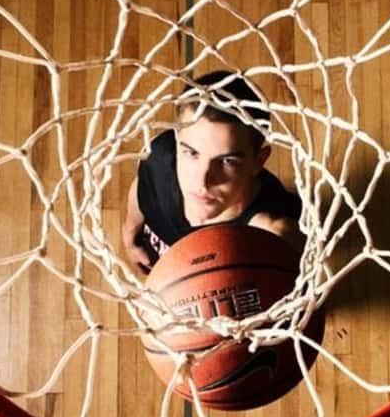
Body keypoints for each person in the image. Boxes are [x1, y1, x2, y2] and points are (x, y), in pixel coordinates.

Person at [122, 70, 304, 273]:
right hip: (164, 270)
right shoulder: (160, 156)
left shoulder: (272, 233)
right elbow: (142, 185)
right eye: (191, 153)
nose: (203, 182)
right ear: (176, 139)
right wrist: (130, 234)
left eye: (226, 161)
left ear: (259, 160)